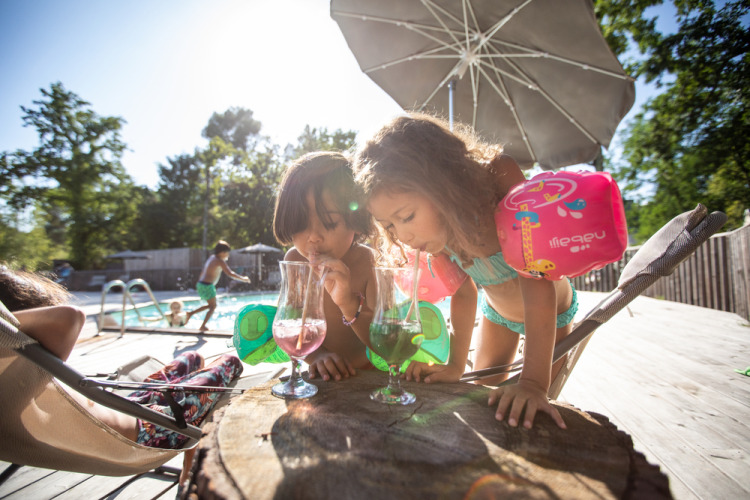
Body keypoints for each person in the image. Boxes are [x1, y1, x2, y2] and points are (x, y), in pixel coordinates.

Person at [353, 113, 578, 430]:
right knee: (483, 404)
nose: (401, 236)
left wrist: (533, 382)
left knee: (534, 409)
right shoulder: (440, 237)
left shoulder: (499, 181)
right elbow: (463, 291)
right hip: (499, 314)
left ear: (440, 183)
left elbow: (536, 274)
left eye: (406, 216)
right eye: (389, 225)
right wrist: (455, 365)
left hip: (551, 311)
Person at [1, 266, 242, 477]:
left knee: (192, 356)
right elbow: (70, 317)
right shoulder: (15, 380)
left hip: (128, 402)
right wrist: (9, 330)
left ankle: (184, 379)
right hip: (155, 428)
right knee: (230, 360)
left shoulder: (15, 377)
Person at [273, 151, 377, 382]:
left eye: (329, 222)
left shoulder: (368, 264)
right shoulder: (296, 261)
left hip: (369, 376)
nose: (313, 237)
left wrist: (348, 303)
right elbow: (289, 326)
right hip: (320, 376)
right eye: (300, 223)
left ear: (357, 220)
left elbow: (382, 342)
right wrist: (317, 356)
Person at [193, 240, 251, 331]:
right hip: (207, 285)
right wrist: (243, 279)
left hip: (201, 283)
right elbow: (230, 273)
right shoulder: (220, 261)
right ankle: (200, 323)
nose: (228, 255)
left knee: (211, 306)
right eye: (227, 253)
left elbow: (203, 271)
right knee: (212, 306)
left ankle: (194, 317)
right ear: (223, 252)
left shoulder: (212, 258)